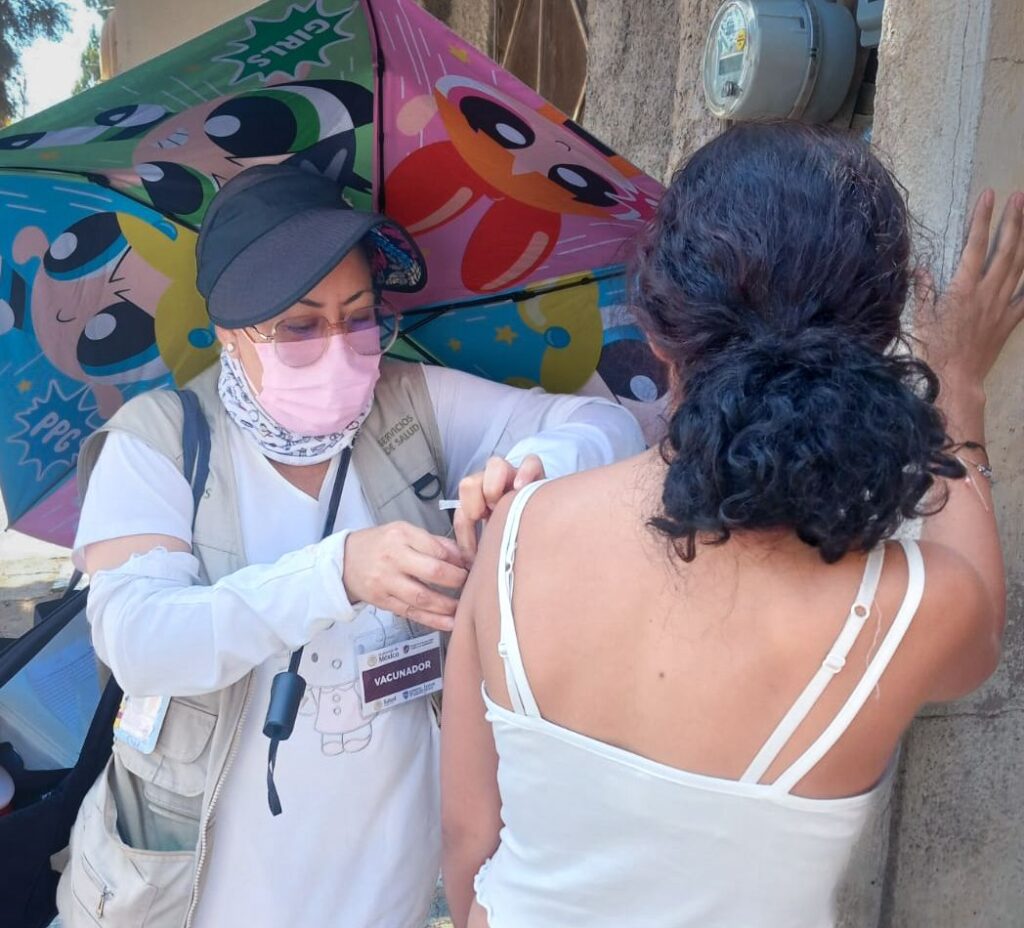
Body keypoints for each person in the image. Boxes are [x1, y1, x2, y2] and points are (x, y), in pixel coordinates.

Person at [440, 122, 1024, 928]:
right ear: (875, 347)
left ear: (654, 328)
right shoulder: (914, 610)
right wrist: (958, 384)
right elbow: (978, 644)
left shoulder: (516, 532)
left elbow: (467, 841)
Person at [56, 163, 645, 928]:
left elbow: (610, 426)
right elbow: (140, 641)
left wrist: (533, 470)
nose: (339, 349)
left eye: (361, 317)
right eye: (300, 328)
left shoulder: (407, 406)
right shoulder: (160, 442)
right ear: (230, 332)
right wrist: (336, 572)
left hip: (385, 896)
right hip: (196, 902)